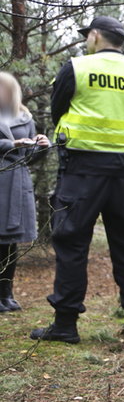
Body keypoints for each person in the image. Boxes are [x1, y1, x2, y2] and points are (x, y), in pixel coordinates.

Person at [30, 16, 124, 344]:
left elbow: (58, 112)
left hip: (83, 169)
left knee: (71, 243)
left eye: (88, 36)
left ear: (96, 36)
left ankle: (66, 324)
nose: (87, 40)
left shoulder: (78, 67)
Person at [0, 73, 50, 312]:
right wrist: (12, 144)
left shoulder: (26, 118)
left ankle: (6, 294)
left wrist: (41, 147)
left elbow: (29, 158)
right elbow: (14, 147)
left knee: (10, 244)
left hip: (15, 185)